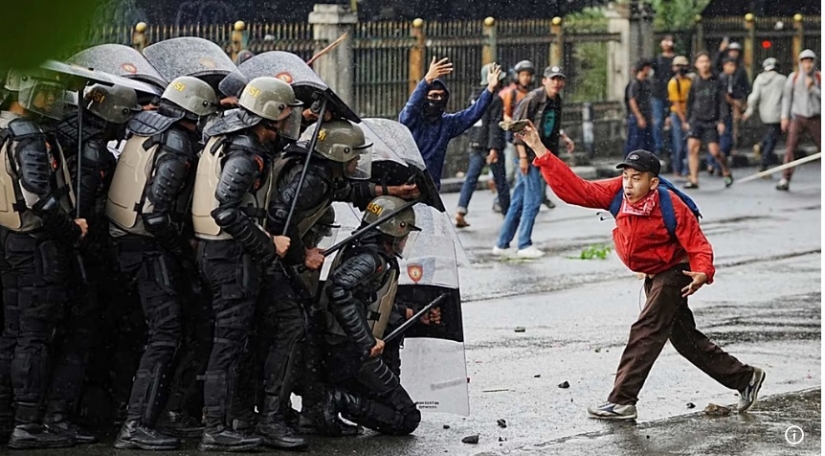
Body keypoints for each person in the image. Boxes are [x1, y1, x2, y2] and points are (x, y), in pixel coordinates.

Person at [517, 122, 766, 421]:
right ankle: (745, 378)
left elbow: (697, 243)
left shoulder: (669, 203)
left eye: (636, 178)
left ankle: (622, 401)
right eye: (625, 176)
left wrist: (702, 271)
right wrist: (539, 149)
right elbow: (576, 190)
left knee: (645, 330)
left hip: (675, 271)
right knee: (685, 340)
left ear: (653, 182)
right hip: (653, 273)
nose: (628, 183)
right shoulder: (617, 194)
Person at [107, 76, 218, 451]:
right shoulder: (176, 141)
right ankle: (136, 424)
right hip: (147, 246)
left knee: (145, 332)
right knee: (165, 333)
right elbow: (156, 212)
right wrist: (183, 247)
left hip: (123, 240)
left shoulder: (146, 128)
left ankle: (144, 415)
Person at [191, 77, 297, 452]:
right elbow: (226, 209)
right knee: (228, 343)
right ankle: (216, 428)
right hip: (228, 256)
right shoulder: (243, 152)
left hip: (216, 252)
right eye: (283, 117)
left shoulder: (225, 135)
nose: (287, 125)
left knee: (231, 341)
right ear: (268, 117)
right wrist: (268, 243)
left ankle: (229, 420)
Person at [46, 83, 140, 444]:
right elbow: (83, 207)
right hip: (79, 250)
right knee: (79, 332)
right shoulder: (92, 151)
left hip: (57, 248)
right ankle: (57, 413)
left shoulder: (63, 134)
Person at [0, 69, 87, 449]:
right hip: (35, 242)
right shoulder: (28, 136)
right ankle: (27, 422)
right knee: (33, 336)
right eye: (46, 92)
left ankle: (8, 418)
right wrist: (72, 229)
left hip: (8, 237)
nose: (52, 101)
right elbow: (39, 197)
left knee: (14, 334)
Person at [316, 195, 421, 436]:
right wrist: (366, 342)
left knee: (385, 408)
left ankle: (338, 400)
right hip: (352, 352)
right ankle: (336, 399)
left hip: (344, 348)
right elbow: (339, 289)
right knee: (407, 418)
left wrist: (405, 314)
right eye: (404, 236)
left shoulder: (362, 249)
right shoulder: (371, 259)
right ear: (394, 231)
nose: (405, 243)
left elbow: (366, 302)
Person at [493, 66, 574, 259]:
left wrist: (564, 137)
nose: (556, 83)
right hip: (528, 156)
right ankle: (524, 243)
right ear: (544, 81)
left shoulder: (557, 100)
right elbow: (517, 129)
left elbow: (551, 125)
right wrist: (522, 157)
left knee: (519, 201)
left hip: (540, 154)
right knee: (534, 199)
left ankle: (502, 243)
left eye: (559, 79)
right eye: (552, 79)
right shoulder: (532, 99)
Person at [399, 57, 501, 189]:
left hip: (431, 187)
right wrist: (427, 80)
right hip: (405, 183)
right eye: (434, 95)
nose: (439, 99)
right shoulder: (412, 120)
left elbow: (472, 114)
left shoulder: (447, 123)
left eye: (442, 96)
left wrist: (490, 90)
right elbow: (411, 106)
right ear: (424, 97)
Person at [455, 63, 508, 228]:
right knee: (501, 180)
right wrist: (494, 147)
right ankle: (509, 212)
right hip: (489, 144)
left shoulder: (474, 95)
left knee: (471, 178)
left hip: (475, 141)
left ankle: (461, 210)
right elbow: (494, 124)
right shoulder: (496, 98)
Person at [684, 51, 734, 189]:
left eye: (706, 61)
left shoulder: (717, 82)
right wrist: (688, 120)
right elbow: (690, 102)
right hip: (696, 119)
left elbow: (722, 103)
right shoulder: (695, 82)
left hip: (711, 121)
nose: (704, 64)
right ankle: (694, 179)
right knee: (693, 148)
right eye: (701, 62)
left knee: (715, 151)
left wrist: (722, 121)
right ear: (696, 65)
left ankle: (725, 169)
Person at [777, 49, 821, 191]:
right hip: (798, 116)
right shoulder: (794, 77)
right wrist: (784, 117)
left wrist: (813, 88)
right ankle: (785, 178)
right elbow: (787, 98)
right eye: (805, 61)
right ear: (800, 63)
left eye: (810, 61)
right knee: (791, 147)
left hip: (815, 116)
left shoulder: (819, 77)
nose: (807, 65)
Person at [743, 57, 787, 173]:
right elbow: (786, 98)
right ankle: (763, 162)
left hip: (764, 113)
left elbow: (754, 97)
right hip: (778, 113)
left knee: (770, 134)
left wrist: (749, 111)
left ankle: (762, 146)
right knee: (773, 139)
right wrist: (785, 115)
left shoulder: (759, 79)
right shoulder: (782, 79)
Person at [651, 35, 677, 158]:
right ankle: (659, 147)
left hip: (673, 94)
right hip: (658, 94)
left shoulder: (677, 60)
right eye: (665, 41)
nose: (667, 43)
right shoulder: (657, 59)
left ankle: (670, 147)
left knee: (672, 121)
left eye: (669, 41)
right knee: (658, 122)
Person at [667, 55, 691, 177]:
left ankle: (688, 170)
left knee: (689, 144)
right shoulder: (673, 83)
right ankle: (677, 168)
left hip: (689, 113)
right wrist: (683, 120)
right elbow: (675, 103)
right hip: (677, 114)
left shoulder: (690, 81)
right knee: (679, 144)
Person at [625, 58, 654, 157]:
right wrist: (639, 117)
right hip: (637, 116)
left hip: (646, 115)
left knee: (646, 143)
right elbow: (632, 100)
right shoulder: (635, 83)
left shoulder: (647, 83)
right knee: (634, 143)